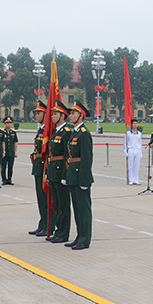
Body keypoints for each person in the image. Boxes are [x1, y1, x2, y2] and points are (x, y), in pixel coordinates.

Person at [65, 102, 94, 250]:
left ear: (81, 116)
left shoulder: (84, 134)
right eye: (70, 113)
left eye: (73, 113)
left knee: (83, 209)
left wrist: (84, 179)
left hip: (80, 177)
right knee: (76, 208)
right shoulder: (75, 132)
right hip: (73, 175)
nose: (70, 115)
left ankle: (85, 238)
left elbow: (87, 159)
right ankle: (79, 236)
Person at [45, 101, 72, 243]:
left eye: (55, 113)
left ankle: (63, 233)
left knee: (63, 204)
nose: (52, 116)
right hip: (53, 171)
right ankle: (58, 230)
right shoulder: (56, 132)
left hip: (60, 171)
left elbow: (67, 155)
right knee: (56, 203)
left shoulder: (67, 132)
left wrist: (64, 175)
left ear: (62, 116)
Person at [28, 103, 51, 236]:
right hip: (38, 166)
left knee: (45, 198)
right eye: (35, 113)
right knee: (40, 199)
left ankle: (48, 225)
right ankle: (42, 224)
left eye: (39, 113)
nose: (36, 116)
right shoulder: (41, 130)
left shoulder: (47, 130)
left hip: (44, 167)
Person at [124, 119, 143, 185]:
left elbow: (140, 143)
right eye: (134, 123)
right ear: (131, 124)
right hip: (131, 149)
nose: (135, 125)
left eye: (136, 123)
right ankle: (131, 179)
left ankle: (136, 179)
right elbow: (125, 143)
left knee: (136, 166)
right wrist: (125, 152)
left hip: (137, 149)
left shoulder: (139, 134)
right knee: (130, 165)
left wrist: (140, 153)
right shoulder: (128, 133)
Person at [1, 117, 17, 185]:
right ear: (5, 124)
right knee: (3, 166)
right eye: (7, 123)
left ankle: (9, 179)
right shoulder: (2, 132)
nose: (9, 124)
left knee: (10, 167)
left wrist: (15, 152)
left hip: (11, 152)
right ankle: (4, 179)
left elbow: (15, 143)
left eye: (10, 123)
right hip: (4, 152)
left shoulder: (13, 132)